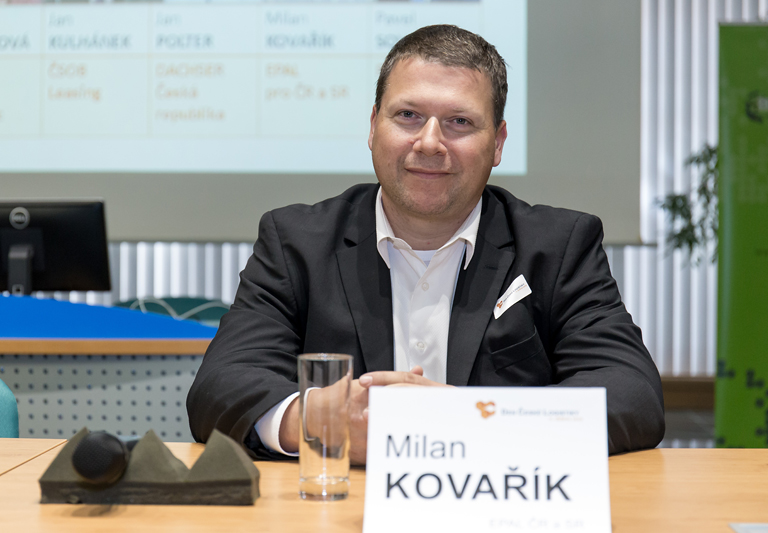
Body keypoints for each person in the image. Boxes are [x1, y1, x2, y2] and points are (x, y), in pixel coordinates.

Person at [187, 25, 664, 462]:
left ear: (498, 143)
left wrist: (468, 420)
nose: (430, 143)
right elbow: (220, 387)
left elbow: (631, 394)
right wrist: (322, 421)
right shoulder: (297, 243)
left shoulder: (558, 247)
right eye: (408, 115)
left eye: (459, 122)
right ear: (373, 126)